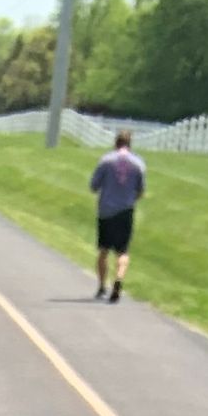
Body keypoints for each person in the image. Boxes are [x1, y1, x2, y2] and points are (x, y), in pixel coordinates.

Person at [90, 127, 146, 302]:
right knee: (123, 251)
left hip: (106, 210)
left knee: (103, 250)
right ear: (130, 144)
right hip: (125, 211)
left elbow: (93, 186)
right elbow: (140, 191)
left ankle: (102, 286)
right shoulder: (138, 164)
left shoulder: (106, 161)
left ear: (116, 142)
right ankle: (119, 279)